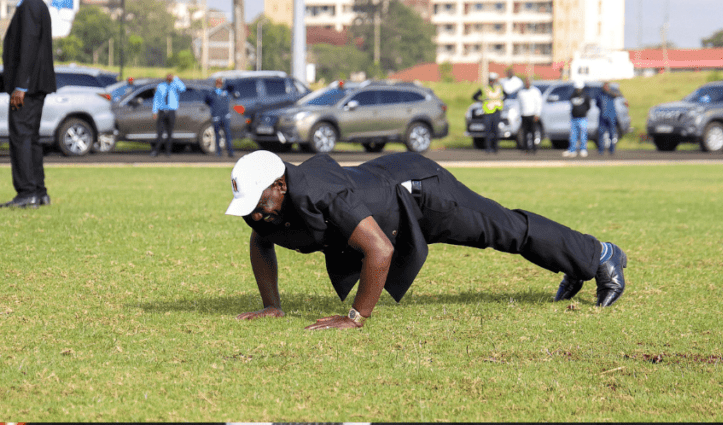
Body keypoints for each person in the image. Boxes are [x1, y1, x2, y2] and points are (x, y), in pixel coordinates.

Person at [226, 150, 627, 330]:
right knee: (505, 230)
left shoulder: (318, 191)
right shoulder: (265, 209)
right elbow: (261, 241)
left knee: (505, 230)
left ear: (280, 184)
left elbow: (378, 248)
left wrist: (355, 318)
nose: (256, 215)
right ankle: (576, 263)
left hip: (420, 193)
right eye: (248, 209)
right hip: (383, 195)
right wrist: (271, 306)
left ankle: (602, 255)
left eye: (260, 204)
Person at [0, 0, 56, 209]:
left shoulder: (31, 6)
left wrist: (20, 86)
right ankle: (39, 191)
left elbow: (29, 47)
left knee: (21, 137)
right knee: (30, 139)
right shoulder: (34, 5)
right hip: (34, 86)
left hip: (28, 88)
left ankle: (27, 192)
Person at [150, 73, 185, 157]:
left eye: (171, 77)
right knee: (160, 132)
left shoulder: (175, 85)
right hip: (162, 111)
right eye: (168, 77)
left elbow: (183, 88)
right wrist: (154, 111)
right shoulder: (161, 86)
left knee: (169, 133)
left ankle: (168, 151)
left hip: (171, 111)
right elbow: (156, 99)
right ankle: (156, 151)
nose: (169, 78)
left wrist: (176, 79)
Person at [472, 72, 504, 154]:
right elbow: (474, 96)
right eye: (491, 80)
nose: (492, 82)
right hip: (488, 112)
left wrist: (501, 101)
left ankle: (495, 148)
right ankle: (488, 148)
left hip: (497, 111)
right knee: (488, 131)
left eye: (493, 80)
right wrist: (481, 101)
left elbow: (505, 95)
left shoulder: (499, 88)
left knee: (496, 131)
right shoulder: (484, 88)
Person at [204, 77, 235, 158]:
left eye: (220, 82)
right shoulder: (212, 93)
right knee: (217, 135)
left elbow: (232, 87)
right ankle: (218, 152)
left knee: (228, 134)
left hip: (225, 116)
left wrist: (226, 80)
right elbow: (207, 101)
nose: (219, 84)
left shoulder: (226, 91)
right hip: (216, 117)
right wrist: (214, 110)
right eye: (217, 82)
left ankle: (230, 152)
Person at [563, 80, 590, 158]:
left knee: (583, 135)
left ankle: (583, 149)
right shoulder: (573, 95)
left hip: (583, 118)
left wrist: (583, 112)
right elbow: (571, 105)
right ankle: (572, 150)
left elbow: (588, 106)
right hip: (574, 118)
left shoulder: (585, 96)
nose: (578, 90)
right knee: (573, 135)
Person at [517, 78, 542, 153]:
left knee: (533, 132)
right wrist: (519, 114)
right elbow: (519, 104)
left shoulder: (535, 91)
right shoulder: (521, 92)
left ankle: (534, 148)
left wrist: (537, 114)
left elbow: (539, 103)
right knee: (524, 132)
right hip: (524, 114)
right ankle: (525, 148)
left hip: (532, 114)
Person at [595, 82, 621, 155]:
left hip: (611, 116)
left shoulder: (612, 94)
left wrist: (609, 91)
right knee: (601, 133)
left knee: (612, 133)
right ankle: (601, 150)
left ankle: (612, 149)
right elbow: (597, 104)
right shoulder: (600, 94)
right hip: (602, 116)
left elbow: (618, 95)